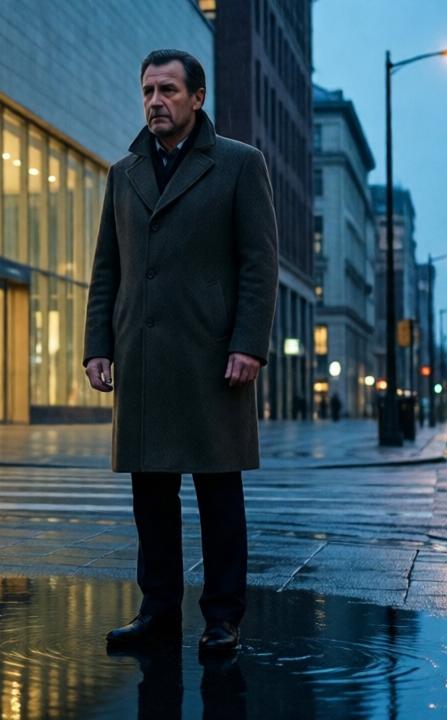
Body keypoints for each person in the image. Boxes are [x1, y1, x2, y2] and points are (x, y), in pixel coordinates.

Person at [83, 49, 278, 655]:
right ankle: (158, 612)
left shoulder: (239, 165)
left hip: (214, 360)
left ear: (197, 98)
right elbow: (106, 269)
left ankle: (223, 618)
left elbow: (259, 264)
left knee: (219, 496)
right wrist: (97, 346)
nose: (155, 102)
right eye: (147, 91)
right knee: (151, 499)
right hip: (142, 358)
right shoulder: (125, 173)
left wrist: (249, 344)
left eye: (168, 90)